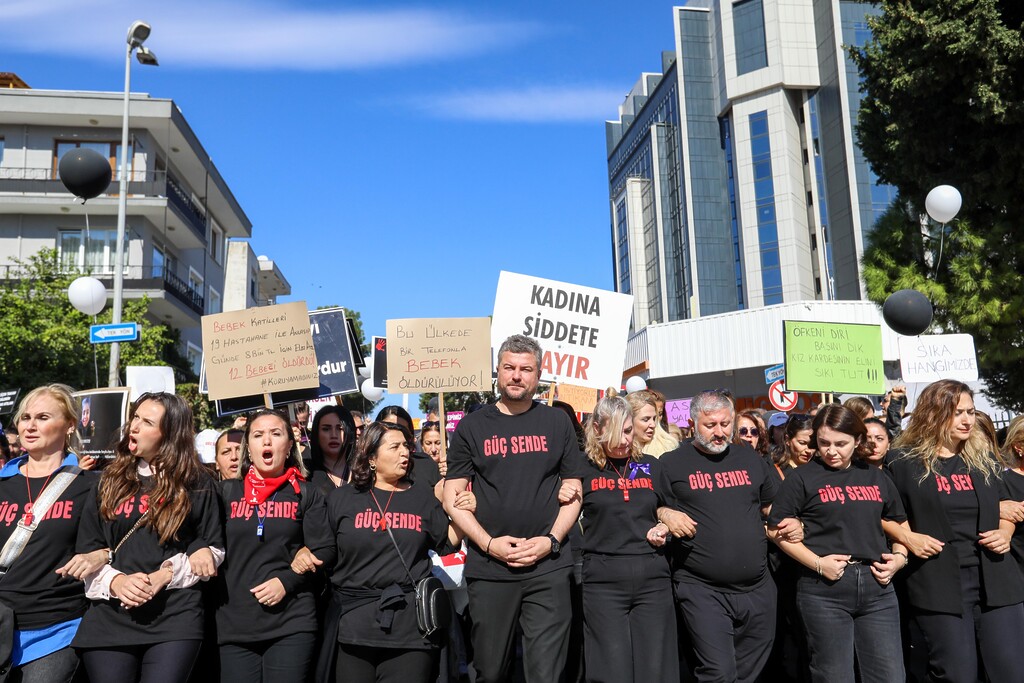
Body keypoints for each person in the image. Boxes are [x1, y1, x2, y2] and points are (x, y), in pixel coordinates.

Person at [443, 334, 584, 683]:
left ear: (538, 375)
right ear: (498, 371)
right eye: (509, 367)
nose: (516, 376)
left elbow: (575, 490)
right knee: (489, 671)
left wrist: (550, 540)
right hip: (490, 569)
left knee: (546, 673)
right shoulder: (472, 426)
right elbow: (452, 496)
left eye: (525, 369)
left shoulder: (557, 422)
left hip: (549, 566)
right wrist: (489, 543)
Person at [70, 392, 224, 683]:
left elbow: (213, 549)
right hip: (110, 616)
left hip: (174, 616)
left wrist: (163, 575)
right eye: (135, 418)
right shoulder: (108, 480)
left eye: (147, 422)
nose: (134, 427)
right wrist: (117, 582)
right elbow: (89, 548)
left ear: (169, 434)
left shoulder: (198, 482)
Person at [883, 379, 1024, 683]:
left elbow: (1007, 505)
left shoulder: (982, 459)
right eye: (957, 412)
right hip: (939, 581)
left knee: (1011, 672)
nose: (967, 420)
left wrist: (1005, 532)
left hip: (996, 577)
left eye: (971, 412)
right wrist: (908, 537)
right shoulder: (902, 462)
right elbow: (880, 513)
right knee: (957, 674)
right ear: (934, 413)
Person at [768, 405, 908, 682]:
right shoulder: (801, 478)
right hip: (823, 590)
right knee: (833, 675)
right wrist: (818, 564)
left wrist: (900, 558)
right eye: (823, 443)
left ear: (857, 441)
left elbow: (899, 524)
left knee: (890, 675)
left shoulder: (875, 476)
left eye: (841, 444)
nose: (831, 451)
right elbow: (775, 531)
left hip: (877, 587)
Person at [318, 421, 467, 683]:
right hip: (354, 627)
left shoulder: (421, 496)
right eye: (395, 447)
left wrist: (461, 511)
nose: (405, 452)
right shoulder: (341, 499)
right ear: (372, 457)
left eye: (407, 446)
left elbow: (446, 542)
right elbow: (326, 550)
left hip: (410, 630)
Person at [657, 390, 779, 683]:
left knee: (750, 673)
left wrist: (793, 523)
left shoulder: (749, 458)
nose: (719, 432)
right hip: (701, 589)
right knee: (718, 673)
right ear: (691, 423)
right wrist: (664, 513)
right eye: (710, 425)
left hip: (758, 589)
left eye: (726, 424)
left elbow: (772, 506)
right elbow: (650, 505)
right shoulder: (670, 463)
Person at [215, 409, 333, 682]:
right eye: (258, 435)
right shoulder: (225, 492)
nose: (266, 441)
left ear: (290, 445)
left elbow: (326, 549)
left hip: (291, 621)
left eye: (275, 434)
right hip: (235, 624)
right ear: (249, 447)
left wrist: (287, 580)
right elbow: (204, 540)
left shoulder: (306, 492)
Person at [0, 385, 101, 682]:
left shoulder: (89, 485)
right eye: (25, 417)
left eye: (43, 417)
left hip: (56, 628)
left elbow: (112, 544)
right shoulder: (2, 484)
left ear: (70, 424)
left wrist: (101, 555)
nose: (30, 426)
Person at [579, 396, 677, 683]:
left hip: (652, 577)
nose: (623, 440)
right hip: (604, 580)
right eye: (614, 433)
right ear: (597, 429)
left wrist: (664, 527)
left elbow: (670, 510)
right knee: (611, 669)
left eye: (628, 431)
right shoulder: (582, 469)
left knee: (656, 667)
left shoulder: (651, 466)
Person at [378, 406, 441, 492]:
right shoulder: (364, 471)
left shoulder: (426, 464)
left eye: (402, 429)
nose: (396, 433)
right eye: (390, 428)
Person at [307, 406, 358, 493]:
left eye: (340, 428)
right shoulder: (307, 474)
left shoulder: (364, 472)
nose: (334, 435)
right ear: (316, 435)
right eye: (326, 429)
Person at [624, 391, 678, 457]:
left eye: (654, 419)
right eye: (646, 419)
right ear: (629, 421)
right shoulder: (617, 452)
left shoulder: (668, 449)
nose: (653, 424)